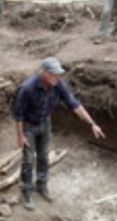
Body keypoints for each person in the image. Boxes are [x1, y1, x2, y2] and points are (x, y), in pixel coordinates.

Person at [13, 57, 106, 209]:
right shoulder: (26, 88)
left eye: (58, 74)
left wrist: (92, 124)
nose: (57, 77)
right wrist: (20, 135)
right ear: (44, 73)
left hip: (45, 123)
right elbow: (18, 115)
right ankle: (26, 192)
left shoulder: (57, 85)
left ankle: (41, 186)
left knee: (43, 156)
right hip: (28, 126)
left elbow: (74, 104)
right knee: (28, 160)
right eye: (54, 74)